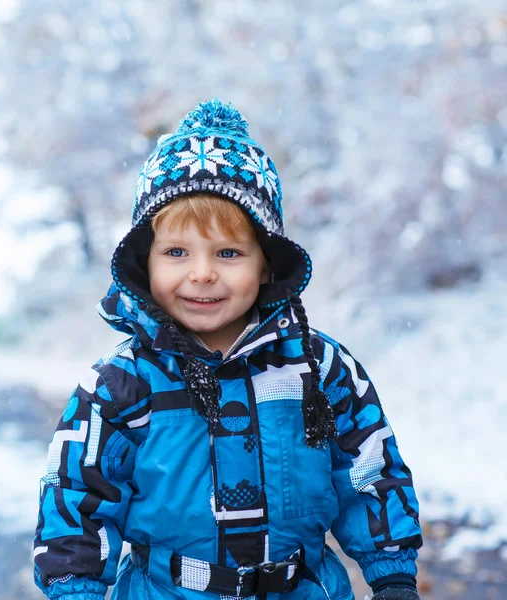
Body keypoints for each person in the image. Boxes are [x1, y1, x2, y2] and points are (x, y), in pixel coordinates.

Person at [33, 99, 422, 600]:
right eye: (176, 252)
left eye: (228, 253)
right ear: (145, 263)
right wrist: (77, 590)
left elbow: (371, 471)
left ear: (266, 264)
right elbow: (76, 497)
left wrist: (393, 577)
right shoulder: (120, 386)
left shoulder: (320, 370)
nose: (201, 273)